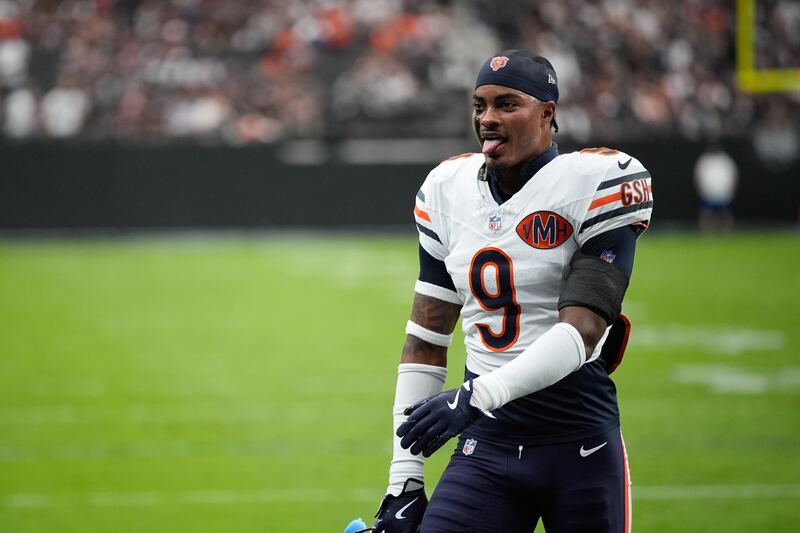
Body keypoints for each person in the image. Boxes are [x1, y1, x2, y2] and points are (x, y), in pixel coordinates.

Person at [370, 50, 653, 533]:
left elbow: (582, 332)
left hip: (579, 443)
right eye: (479, 106)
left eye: (507, 105)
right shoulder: (446, 190)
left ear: (548, 112)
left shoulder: (596, 182)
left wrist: (475, 396)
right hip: (487, 448)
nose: (488, 119)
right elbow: (426, 340)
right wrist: (405, 481)